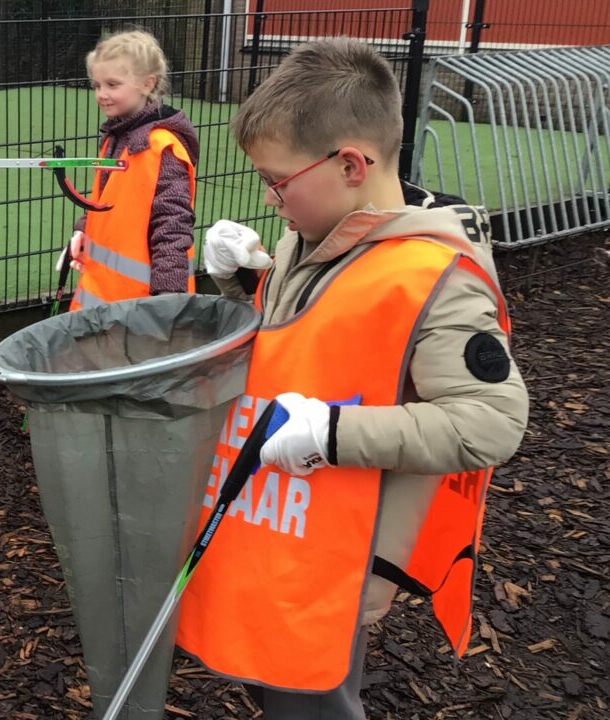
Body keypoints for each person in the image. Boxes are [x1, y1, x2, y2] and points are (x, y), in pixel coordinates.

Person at [181, 38, 529, 718]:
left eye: (276, 181)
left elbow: (491, 420)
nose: (270, 197)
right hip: (276, 530)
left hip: (339, 552)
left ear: (349, 164)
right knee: (268, 678)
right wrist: (248, 278)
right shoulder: (320, 230)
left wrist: (331, 432)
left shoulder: (438, 280)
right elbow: (317, 334)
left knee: (309, 700)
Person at [61, 29, 199, 310]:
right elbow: (107, 202)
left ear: (148, 84)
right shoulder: (116, 136)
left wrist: (169, 298)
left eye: (113, 84)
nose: (102, 94)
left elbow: (172, 224)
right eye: (97, 85)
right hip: (102, 298)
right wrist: (83, 231)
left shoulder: (162, 147)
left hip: (143, 310)